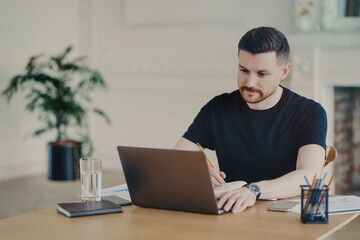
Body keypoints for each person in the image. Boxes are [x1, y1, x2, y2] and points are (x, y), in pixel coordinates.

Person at [173, 26, 327, 213]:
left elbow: (309, 176)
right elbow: (175, 159)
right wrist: (195, 171)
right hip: (232, 212)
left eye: (262, 74)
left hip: (283, 215)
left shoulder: (310, 113)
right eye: (244, 70)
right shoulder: (218, 108)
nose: (250, 83)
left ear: (284, 71)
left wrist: (253, 190)